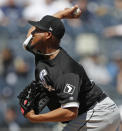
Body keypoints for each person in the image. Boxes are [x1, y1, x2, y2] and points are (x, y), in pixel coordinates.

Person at [23, 5, 120, 131]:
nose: (33, 32)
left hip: (98, 113)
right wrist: (61, 14)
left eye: (38, 30)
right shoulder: (40, 49)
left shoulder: (65, 69)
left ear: (47, 35)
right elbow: (29, 35)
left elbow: (70, 112)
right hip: (92, 113)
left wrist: (36, 118)